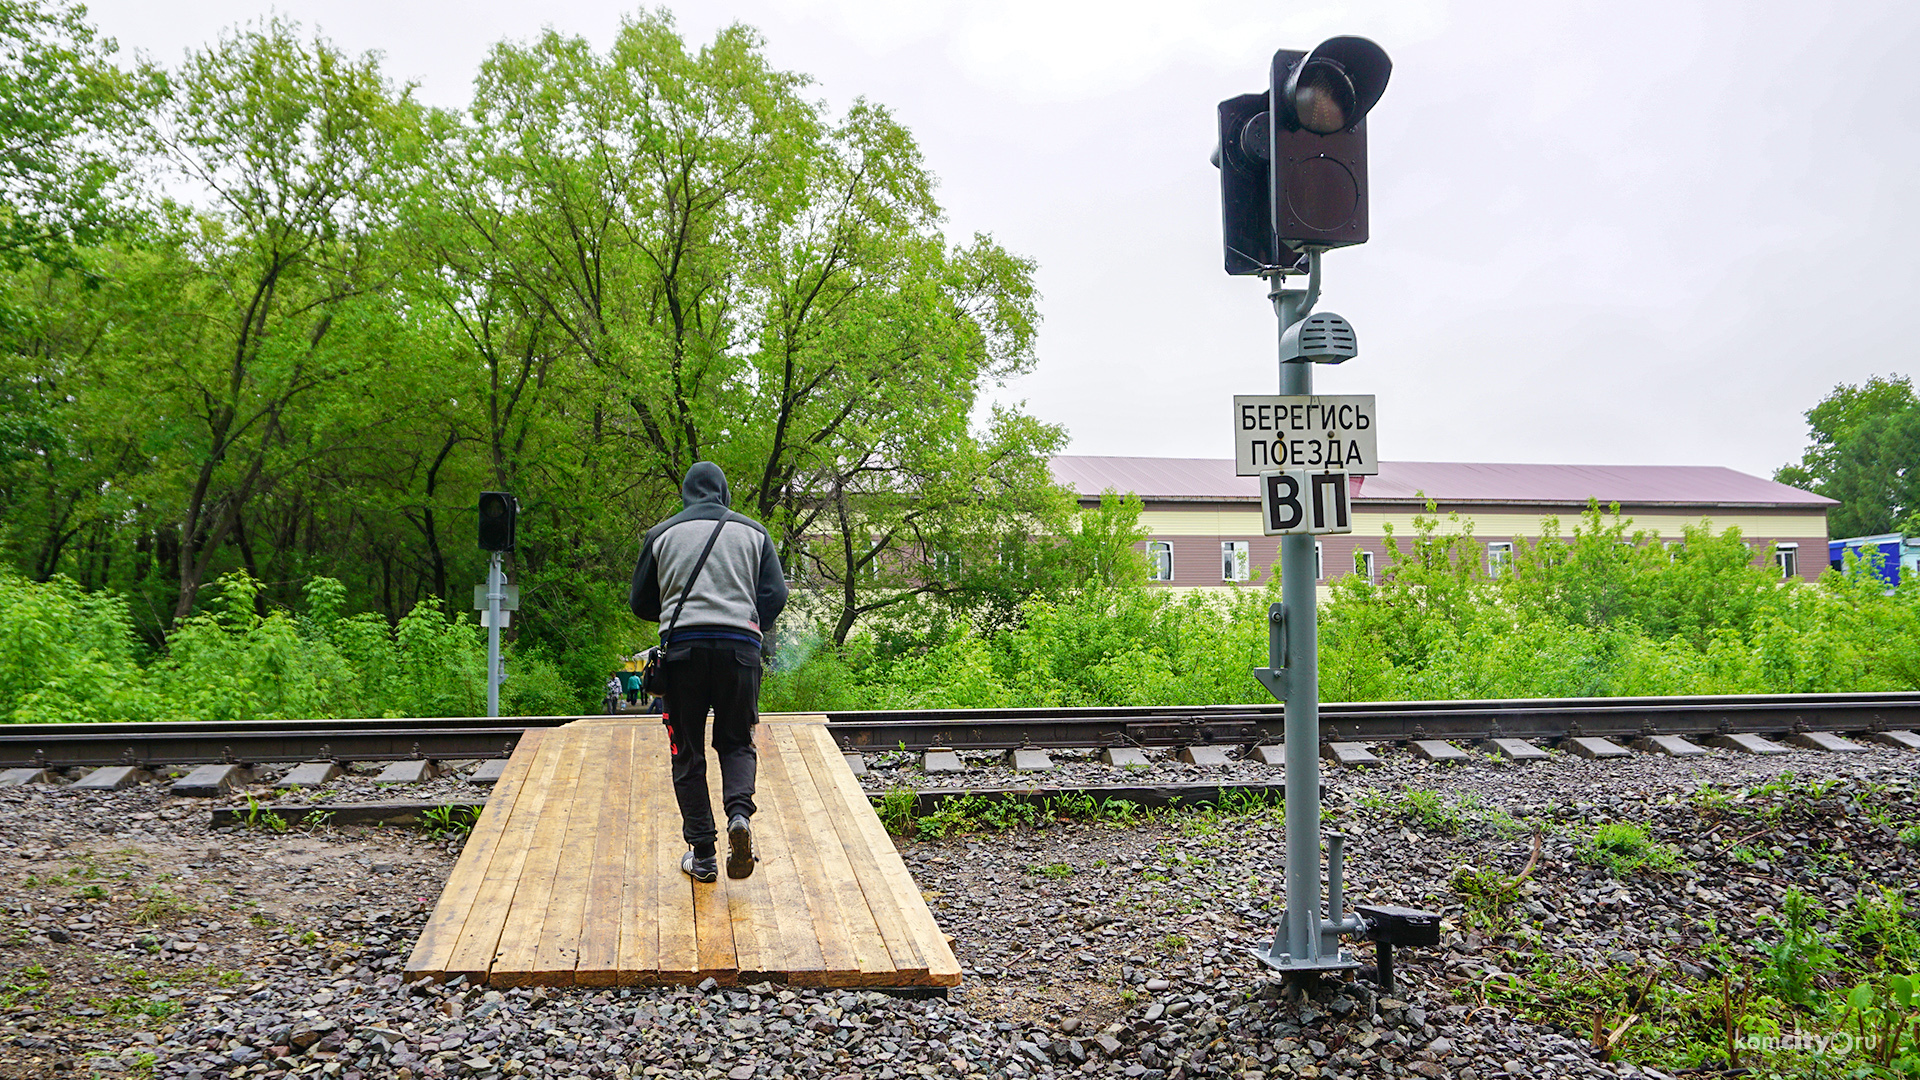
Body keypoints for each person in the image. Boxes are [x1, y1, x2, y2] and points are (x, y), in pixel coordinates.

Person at [630, 462, 788, 883]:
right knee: (736, 742)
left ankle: (702, 856)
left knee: (687, 752)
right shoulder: (754, 533)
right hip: (739, 651)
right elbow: (776, 594)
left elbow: (640, 603)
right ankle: (739, 815)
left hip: (682, 654)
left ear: (686, 495)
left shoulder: (661, 535)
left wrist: (674, 605)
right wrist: (752, 625)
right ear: (723, 493)